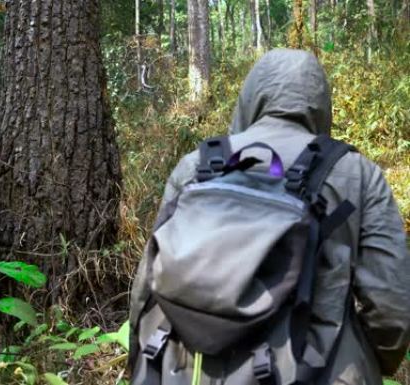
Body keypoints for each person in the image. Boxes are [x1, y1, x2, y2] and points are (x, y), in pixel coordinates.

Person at [129, 49, 410, 384]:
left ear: (251, 96)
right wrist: (371, 361)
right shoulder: (356, 173)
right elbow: (391, 303)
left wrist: (140, 358)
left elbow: (146, 286)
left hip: (192, 370)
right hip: (319, 368)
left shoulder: (198, 166)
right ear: (321, 105)